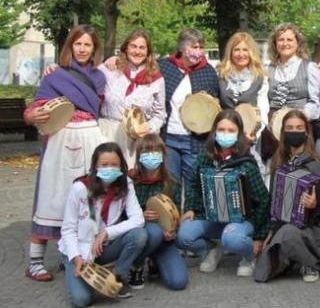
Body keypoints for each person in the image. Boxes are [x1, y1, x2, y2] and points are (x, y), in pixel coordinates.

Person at [23, 24, 107, 281]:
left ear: (94, 49)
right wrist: (30, 115)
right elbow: (36, 109)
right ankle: (35, 260)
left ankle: (70, 254)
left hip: (90, 138)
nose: (82, 49)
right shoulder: (54, 75)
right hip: (61, 138)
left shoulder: (100, 77)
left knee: (86, 199)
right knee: (52, 197)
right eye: (77, 44)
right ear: (70, 46)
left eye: (87, 45)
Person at [176, 109, 270, 276]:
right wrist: (190, 207)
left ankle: (249, 256)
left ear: (239, 133)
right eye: (221, 130)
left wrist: (259, 236)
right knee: (183, 236)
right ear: (214, 132)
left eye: (231, 130)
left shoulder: (246, 162)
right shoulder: (205, 157)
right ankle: (212, 249)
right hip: (211, 217)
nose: (225, 134)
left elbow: (262, 199)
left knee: (231, 239)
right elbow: (192, 184)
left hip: (242, 220)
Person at [58, 142, 147, 306]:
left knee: (139, 235)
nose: (110, 169)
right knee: (81, 300)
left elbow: (138, 219)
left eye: (115, 165)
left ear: (121, 166)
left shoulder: (125, 184)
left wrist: (107, 232)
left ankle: (116, 275)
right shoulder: (81, 188)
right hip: (79, 248)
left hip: (103, 246)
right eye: (104, 165)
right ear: (95, 166)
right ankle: (69, 264)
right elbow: (68, 229)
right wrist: (77, 258)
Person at [254, 110, 320, 283]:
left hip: (314, 227)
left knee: (287, 235)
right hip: (285, 223)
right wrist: (270, 231)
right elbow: (274, 201)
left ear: (306, 132)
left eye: (299, 127)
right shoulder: (279, 161)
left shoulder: (315, 163)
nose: (294, 131)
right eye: (289, 128)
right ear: (283, 132)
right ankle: (294, 256)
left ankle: (310, 262)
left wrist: (317, 203)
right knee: (264, 267)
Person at [158, 29, 220, 186]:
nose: (197, 51)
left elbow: (214, 106)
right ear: (181, 48)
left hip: (195, 141)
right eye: (193, 46)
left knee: (194, 186)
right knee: (171, 186)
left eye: (200, 47)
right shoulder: (165, 67)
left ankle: (192, 212)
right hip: (169, 138)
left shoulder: (208, 72)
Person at [127, 134, 188, 290]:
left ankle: (154, 259)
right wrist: (142, 215)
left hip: (164, 241)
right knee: (153, 232)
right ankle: (137, 264)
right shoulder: (131, 181)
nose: (151, 155)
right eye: (146, 152)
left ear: (163, 154)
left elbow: (176, 214)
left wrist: (172, 231)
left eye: (156, 151)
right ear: (139, 156)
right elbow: (122, 215)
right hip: (140, 236)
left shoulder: (172, 182)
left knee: (178, 282)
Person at [98, 30, 165, 167]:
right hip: (108, 134)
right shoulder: (110, 69)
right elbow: (85, 75)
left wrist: (148, 128)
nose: (137, 51)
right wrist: (57, 69)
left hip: (136, 139)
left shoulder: (156, 79)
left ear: (148, 52)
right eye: (133, 46)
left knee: (132, 181)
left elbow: (160, 114)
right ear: (126, 48)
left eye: (142, 47)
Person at [262, 23, 320, 161]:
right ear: (275, 43)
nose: (285, 43)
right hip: (272, 130)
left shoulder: (309, 67)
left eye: (289, 40)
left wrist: (300, 115)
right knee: (273, 170)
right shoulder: (267, 68)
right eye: (281, 39)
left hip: (298, 129)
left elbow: (315, 102)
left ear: (298, 43)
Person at [217, 31, 270, 183]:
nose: (241, 54)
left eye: (245, 50)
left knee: (250, 179)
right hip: (225, 137)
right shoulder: (221, 74)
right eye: (237, 50)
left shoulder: (260, 77)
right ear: (231, 52)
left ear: (251, 52)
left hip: (249, 138)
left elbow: (263, 109)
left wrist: (252, 134)